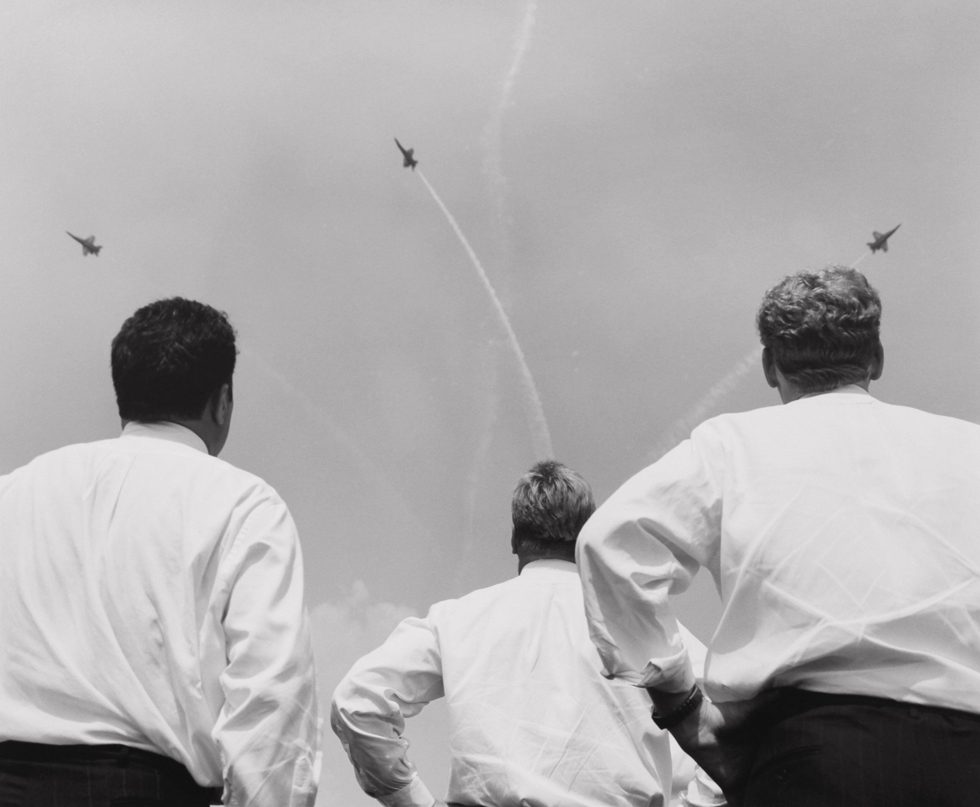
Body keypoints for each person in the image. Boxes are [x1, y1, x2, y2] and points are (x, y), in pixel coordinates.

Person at [576, 266, 980, 806]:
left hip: (813, 759)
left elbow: (609, 542)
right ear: (876, 358)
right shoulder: (968, 448)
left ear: (770, 366)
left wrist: (681, 707)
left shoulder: (731, 446)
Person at [0, 298, 320, 806]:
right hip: (145, 789)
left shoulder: (14, 492)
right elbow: (270, 704)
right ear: (222, 401)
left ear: (123, 394)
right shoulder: (244, 504)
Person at [331, 460, 719, 807]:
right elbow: (744, 716)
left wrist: (410, 800)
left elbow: (357, 701)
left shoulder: (457, 619)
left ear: (515, 540)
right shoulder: (647, 627)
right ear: (587, 537)